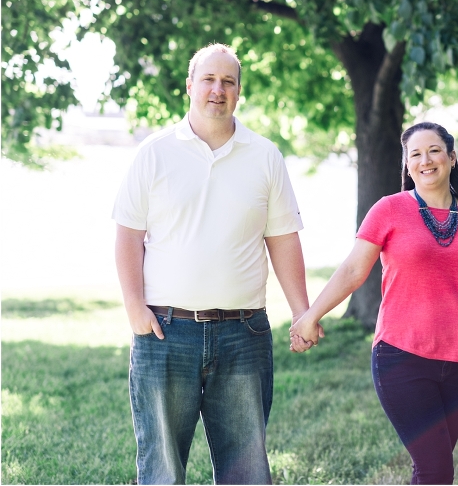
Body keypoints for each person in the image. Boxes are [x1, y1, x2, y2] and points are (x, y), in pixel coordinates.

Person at [113, 43, 317, 485]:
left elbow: (282, 239)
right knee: (162, 468)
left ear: (239, 91)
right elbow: (128, 234)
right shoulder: (154, 152)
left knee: (247, 470)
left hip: (243, 333)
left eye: (228, 81)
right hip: (166, 332)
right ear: (190, 85)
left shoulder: (265, 156)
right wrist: (135, 308)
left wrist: (302, 311)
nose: (217, 89)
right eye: (208, 79)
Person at [290, 121, 458, 484]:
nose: (425, 160)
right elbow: (354, 269)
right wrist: (311, 315)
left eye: (434, 151)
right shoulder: (389, 210)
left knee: (433, 469)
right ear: (407, 165)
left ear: (451, 157)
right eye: (415, 154)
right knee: (437, 469)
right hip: (402, 359)